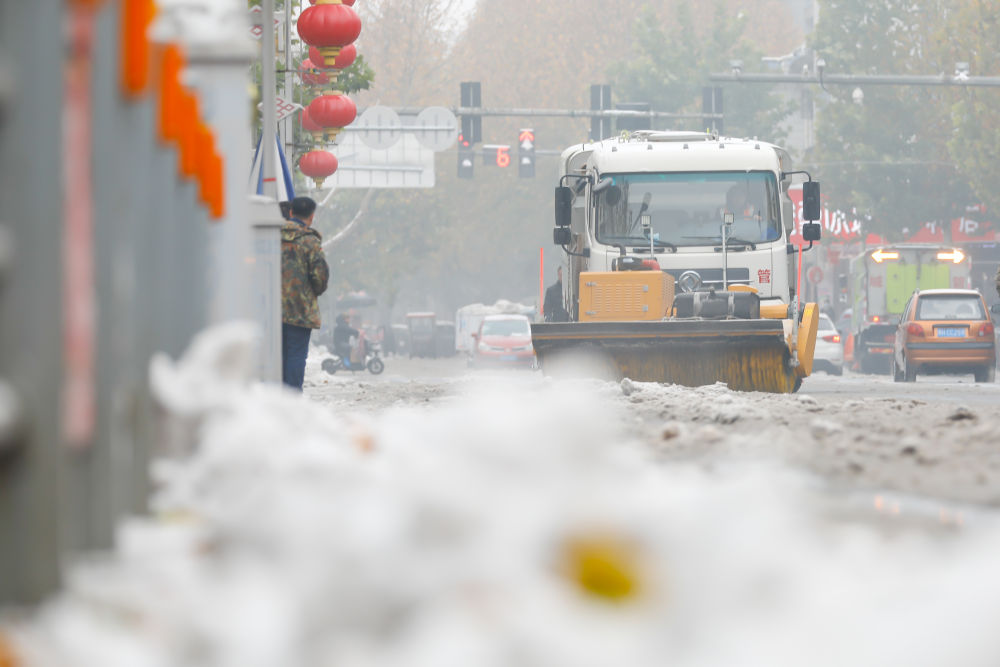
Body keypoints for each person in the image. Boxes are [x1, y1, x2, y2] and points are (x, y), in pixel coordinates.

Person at [281, 196, 329, 390]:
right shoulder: (310, 241)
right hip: (299, 311)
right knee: (295, 356)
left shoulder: (269, 235)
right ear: (311, 216)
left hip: (269, 311)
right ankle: (291, 398)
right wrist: (310, 293)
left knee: (274, 355)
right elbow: (320, 278)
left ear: (290, 212)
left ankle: (270, 398)